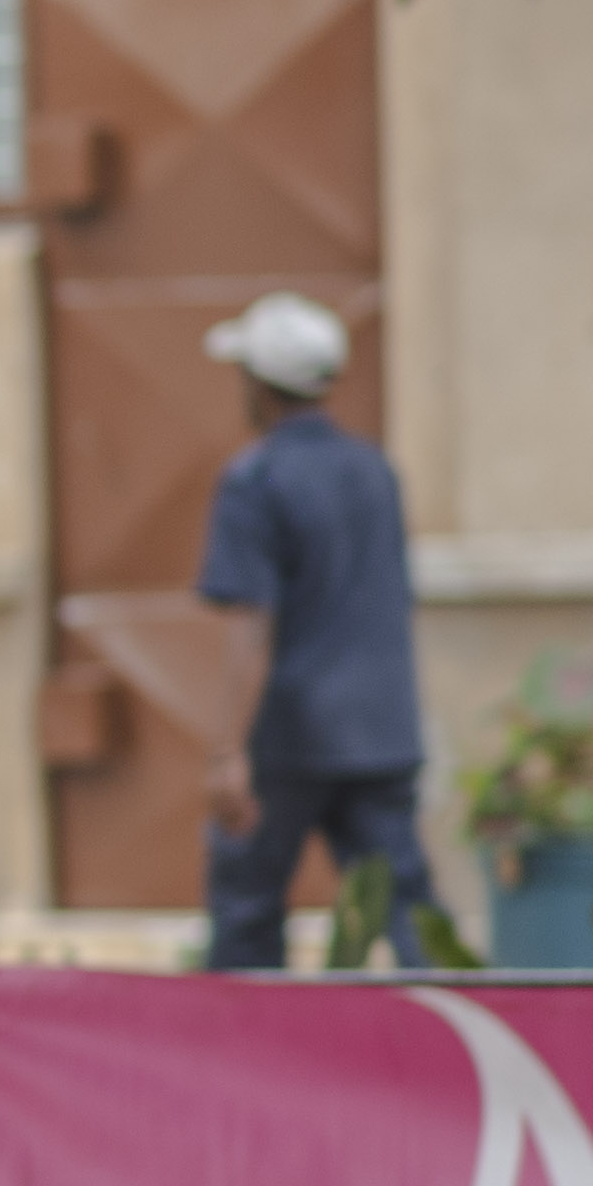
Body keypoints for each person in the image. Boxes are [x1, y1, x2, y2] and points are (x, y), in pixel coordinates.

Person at [194, 290, 428, 971]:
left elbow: (249, 628)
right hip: (383, 731)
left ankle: (248, 1059)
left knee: (247, 912)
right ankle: (464, 1042)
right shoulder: (375, 470)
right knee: (408, 911)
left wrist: (227, 752)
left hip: (293, 736)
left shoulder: (255, 481)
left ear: (259, 386)